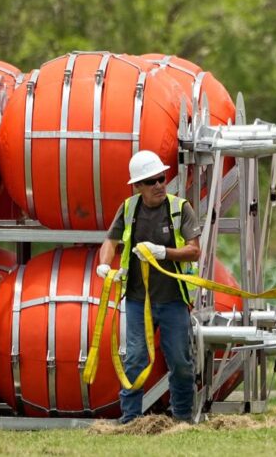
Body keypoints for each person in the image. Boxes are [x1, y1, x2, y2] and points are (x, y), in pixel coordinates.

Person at [96, 150, 201, 424]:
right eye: (151, 181)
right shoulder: (129, 208)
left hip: (174, 301)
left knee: (180, 362)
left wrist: (163, 253)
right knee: (134, 360)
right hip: (136, 300)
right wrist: (105, 266)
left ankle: (182, 420)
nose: (159, 185)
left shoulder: (180, 208)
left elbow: (194, 251)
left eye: (162, 178)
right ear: (138, 186)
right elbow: (110, 241)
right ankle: (130, 420)